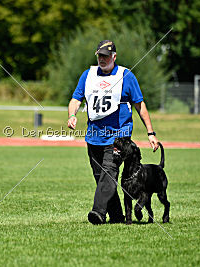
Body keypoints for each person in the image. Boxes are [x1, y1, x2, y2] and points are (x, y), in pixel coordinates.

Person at [67, 40, 160, 225]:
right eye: (99, 55)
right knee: (100, 178)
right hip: (94, 137)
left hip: (118, 137)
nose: (102, 59)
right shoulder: (88, 75)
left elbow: (140, 106)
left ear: (114, 57)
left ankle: (97, 212)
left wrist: (151, 132)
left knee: (108, 175)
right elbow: (76, 99)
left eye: (106, 56)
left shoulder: (127, 76)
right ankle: (116, 216)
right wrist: (72, 115)